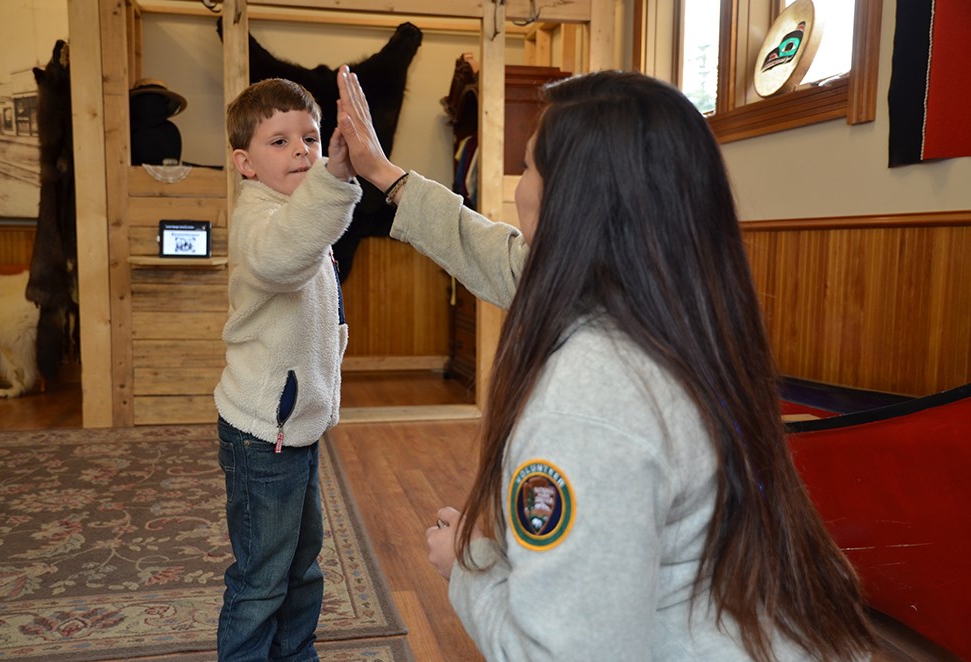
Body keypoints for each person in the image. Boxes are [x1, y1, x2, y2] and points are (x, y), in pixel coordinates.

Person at [335, 65, 876, 660]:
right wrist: (385, 175)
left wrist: (471, 566)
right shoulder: (677, 305)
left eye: (532, 163)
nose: (521, 183)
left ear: (569, 200)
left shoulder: (587, 403)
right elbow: (499, 255)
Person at [214, 77, 362, 661]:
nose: (302, 149)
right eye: (279, 141)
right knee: (261, 580)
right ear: (245, 163)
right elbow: (282, 260)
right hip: (262, 435)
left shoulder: (299, 211)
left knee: (303, 566)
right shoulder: (259, 220)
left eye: (311, 137)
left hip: (294, 428)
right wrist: (333, 182)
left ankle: (296, 655)